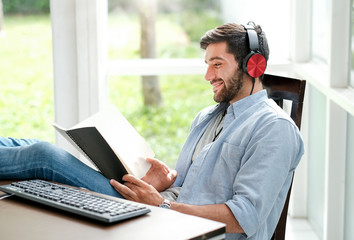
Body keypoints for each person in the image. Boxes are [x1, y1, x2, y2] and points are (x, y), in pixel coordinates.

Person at [0, 23, 304, 240]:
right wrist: (167, 181)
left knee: (43, 156)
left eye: (217, 64)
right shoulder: (208, 116)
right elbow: (199, 183)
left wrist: (163, 205)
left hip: (183, 226)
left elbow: (243, 218)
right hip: (163, 213)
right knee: (27, 143)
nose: (207, 75)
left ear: (253, 66)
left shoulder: (274, 130)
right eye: (206, 64)